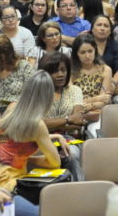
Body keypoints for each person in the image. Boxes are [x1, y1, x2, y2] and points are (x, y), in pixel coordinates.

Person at [0, 71, 69, 204]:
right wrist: (28, 159)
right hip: (11, 188)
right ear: (48, 97)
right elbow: (55, 163)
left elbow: (16, 138)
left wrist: (54, 136)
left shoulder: (12, 108)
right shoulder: (37, 125)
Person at [37, 52, 86, 180]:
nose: (60, 74)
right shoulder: (37, 93)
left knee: (72, 153)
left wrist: (48, 123)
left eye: (63, 70)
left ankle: (78, 189)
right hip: (42, 139)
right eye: (55, 71)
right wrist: (68, 119)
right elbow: (35, 124)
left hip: (69, 138)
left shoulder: (74, 90)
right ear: (45, 73)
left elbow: (78, 121)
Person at [70, 34, 113, 112]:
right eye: (82, 52)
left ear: (95, 50)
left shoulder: (106, 70)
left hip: (99, 111)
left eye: (90, 51)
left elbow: (105, 100)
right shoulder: (70, 71)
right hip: (76, 112)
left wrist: (89, 106)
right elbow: (72, 101)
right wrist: (97, 98)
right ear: (76, 54)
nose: (87, 56)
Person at [90, 15, 118, 98]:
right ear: (92, 28)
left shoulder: (115, 46)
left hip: (112, 84)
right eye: (99, 25)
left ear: (110, 31)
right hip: (89, 83)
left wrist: (113, 83)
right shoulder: (84, 44)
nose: (102, 28)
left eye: (106, 26)